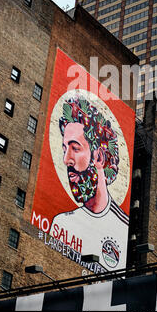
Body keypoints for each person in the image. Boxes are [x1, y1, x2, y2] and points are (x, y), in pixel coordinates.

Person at [49, 95, 129, 271]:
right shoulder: (60, 223)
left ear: (99, 157)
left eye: (75, 148)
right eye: (64, 149)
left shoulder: (125, 230)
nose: (66, 160)